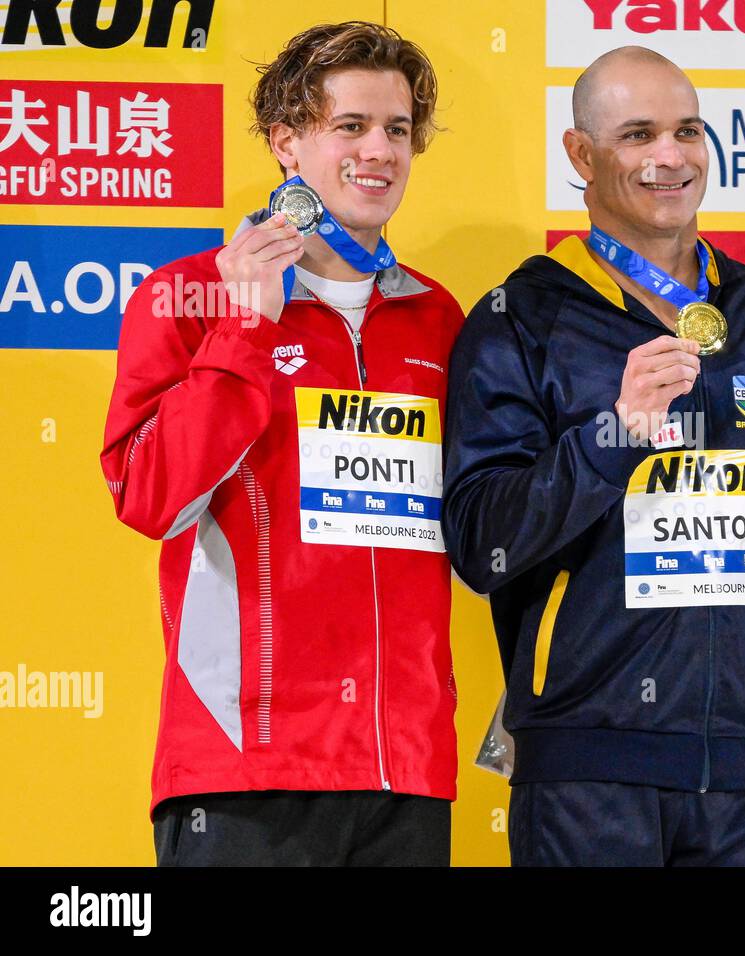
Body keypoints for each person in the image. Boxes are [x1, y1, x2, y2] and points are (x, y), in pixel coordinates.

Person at [442, 46, 745, 867]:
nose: (671, 156)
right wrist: (612, 437)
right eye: (638, 135)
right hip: (589, 768)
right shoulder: (521, 315)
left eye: (687, 130)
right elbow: (482, 540)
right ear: (581, 156)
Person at [100, 21, 464, 866]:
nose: (380, 151)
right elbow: (151, 497)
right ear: (286, 143)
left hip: (402, 768)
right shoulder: (187, 296)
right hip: (244, 764)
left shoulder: (440, 318)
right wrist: (245, 328)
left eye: (398, 130)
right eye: (352, 126)